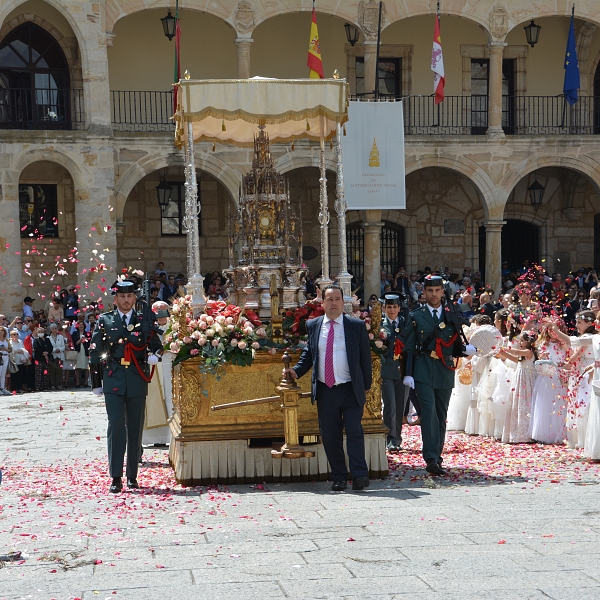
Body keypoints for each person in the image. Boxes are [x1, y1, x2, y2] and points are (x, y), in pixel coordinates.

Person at [283, 284, 372, 491]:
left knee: (354, 432)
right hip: (326, 390)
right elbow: (309, 355)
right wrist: (296, 370)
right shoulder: (314, 325)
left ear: (343, 302)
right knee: (330, 435)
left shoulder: (355, 326)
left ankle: (359, 475)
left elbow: (365, 359)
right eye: (329, 299)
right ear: (322, 303)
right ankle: (339, 476)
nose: (334, 303)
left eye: (337, 299)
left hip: (350, 389)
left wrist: (365, 387)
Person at [90, 280, 163, 493]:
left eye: (129, 296)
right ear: (115, 299)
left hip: (137, 377)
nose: (125, 300)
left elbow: (157, 346)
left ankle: (132, 475)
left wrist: (154, 356)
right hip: (113, 378)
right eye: (122, 297)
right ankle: (115, 477)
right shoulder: (105, 320)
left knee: (135, 427)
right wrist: (97, 382)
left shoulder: (145, 320)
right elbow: (95, 352)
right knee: (115, 426)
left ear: (134, 298)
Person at [403, 276, 476, 475]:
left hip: (444, 369)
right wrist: (408, 373)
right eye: (430, 290)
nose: (433, 294)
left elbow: (455, 343)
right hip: (423, 368)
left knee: (441, 415)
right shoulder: (415, 316)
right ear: (424, 293)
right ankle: (431, 458)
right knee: (428, 413)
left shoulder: (452, 314)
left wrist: (465, 349)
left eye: (437, 290)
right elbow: (408, 346)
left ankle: (438, 455)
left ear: (442, 292)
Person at [379, 294, 408, 452]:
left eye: (395, 307)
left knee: (400, 405)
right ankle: (389, 438)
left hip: (403, 370)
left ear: (399, 308)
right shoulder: (380, 325)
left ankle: (396, 438)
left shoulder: (405, 323)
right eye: (389, 307)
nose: (392, 310)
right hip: (386, 370)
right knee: (389, 404)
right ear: (384, 308)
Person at [497, 332, 537, 444]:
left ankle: (526, 434)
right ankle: (517, 433)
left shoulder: (528, 351)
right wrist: (503, 352)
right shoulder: (523, 354)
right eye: (519, 340)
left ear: (529, 342)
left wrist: (503, 348)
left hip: (526, 381)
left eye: (522, 340)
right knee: (518, 404)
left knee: (525, 404)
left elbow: (516, 352)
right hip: (520, 380)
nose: (520, 342)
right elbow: (516, 359)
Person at [9, 329, 29, 394]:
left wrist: (22, 351)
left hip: (20, 360)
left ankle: (19, 388)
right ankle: (13, 388)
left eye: (17, 334)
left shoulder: (20, 341)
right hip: (14, 361)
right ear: (11, 335)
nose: (16, 335)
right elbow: (10, 351)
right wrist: (17, 351)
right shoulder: (10, 342)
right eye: (14, 334)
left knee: (20, 375)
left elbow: (23, 348)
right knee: (14, 375)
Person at [71, 320, 90, 388]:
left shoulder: (88, 333)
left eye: (82, 325)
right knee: (77, 367)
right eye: (79, 325)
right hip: (78, 351)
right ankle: (77, 383)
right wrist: (80, 340)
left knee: (86, 367)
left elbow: (90, 342)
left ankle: (86, 382)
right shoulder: (74, 333)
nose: (81, 326)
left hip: (85, 351)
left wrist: (85, 340)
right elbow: (74, 343)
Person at [47, 323, 65, 390]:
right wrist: (54, 350)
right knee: (52, 371)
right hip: (52, 356)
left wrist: (59, 349)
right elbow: (48, 347)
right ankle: (52, 384)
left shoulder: (60, 337)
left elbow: (63, 346)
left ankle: (58, 384)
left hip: (60, 355)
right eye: (53, 329)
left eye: (55, 328)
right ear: (51, 330)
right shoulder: (48, 338)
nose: (54, 330)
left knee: (59, 371)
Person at [0, 327, 11, 395]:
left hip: (6, 356)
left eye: (2, 331)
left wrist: (6, 349)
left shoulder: (7, 340)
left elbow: (10, 349)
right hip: (0, 357)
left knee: (3, 373)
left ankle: (2, 388)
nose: (1, 332)